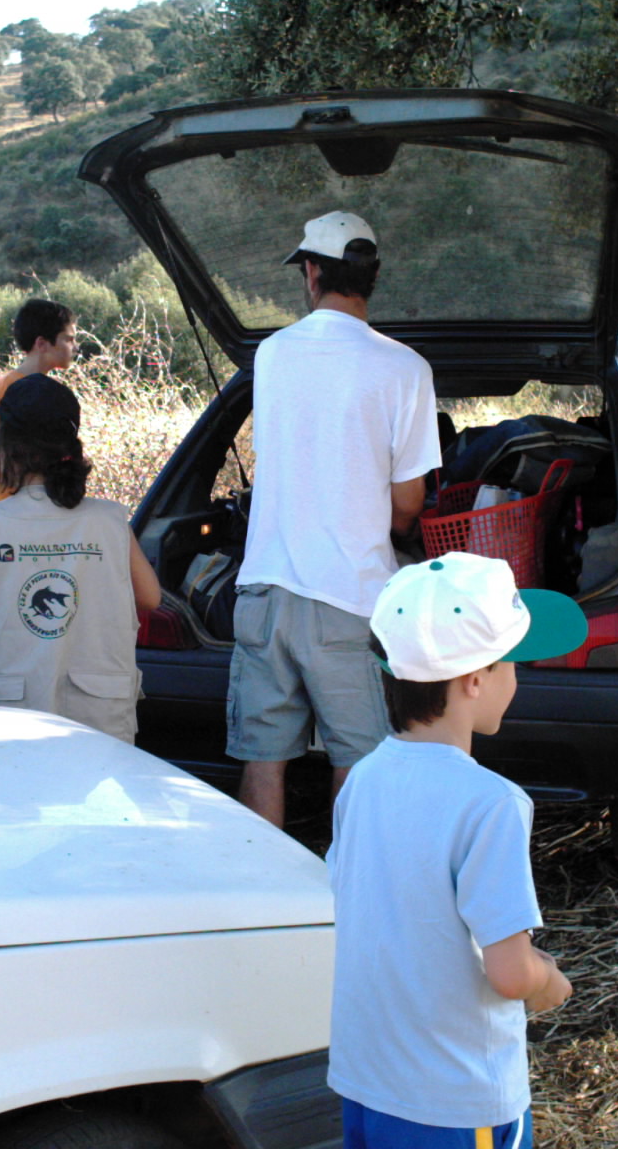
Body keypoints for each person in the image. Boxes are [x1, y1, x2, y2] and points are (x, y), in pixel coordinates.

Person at [327, 552, 589, 1148]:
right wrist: (549, 981)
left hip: (367, 1083)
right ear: (475, 679)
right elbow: (510, 973)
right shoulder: (492, 803)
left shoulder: (362, 781)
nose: (518, 678)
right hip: (454, 1099)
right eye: (513, 663)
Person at [229, 211, 440, 827]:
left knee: (262, 761)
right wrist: (398, 533)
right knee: (358, 759)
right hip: (347, 599)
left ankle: (264, 901)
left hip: (263, 590)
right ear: (371, 277)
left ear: (313, 272)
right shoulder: (405, 369)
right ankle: (347, 896)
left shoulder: (271, 355)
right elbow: (409, 502)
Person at [0, 372, 160, 742]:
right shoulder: (110, 519)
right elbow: (151, 598)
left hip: (13, 713)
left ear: (6, 446)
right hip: (100, 709)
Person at [0, 298, 78, 506]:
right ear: (41, 343)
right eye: (68, 339)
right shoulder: (10, 387)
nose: (75, 347)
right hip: (16, 513)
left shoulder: (50, 391)